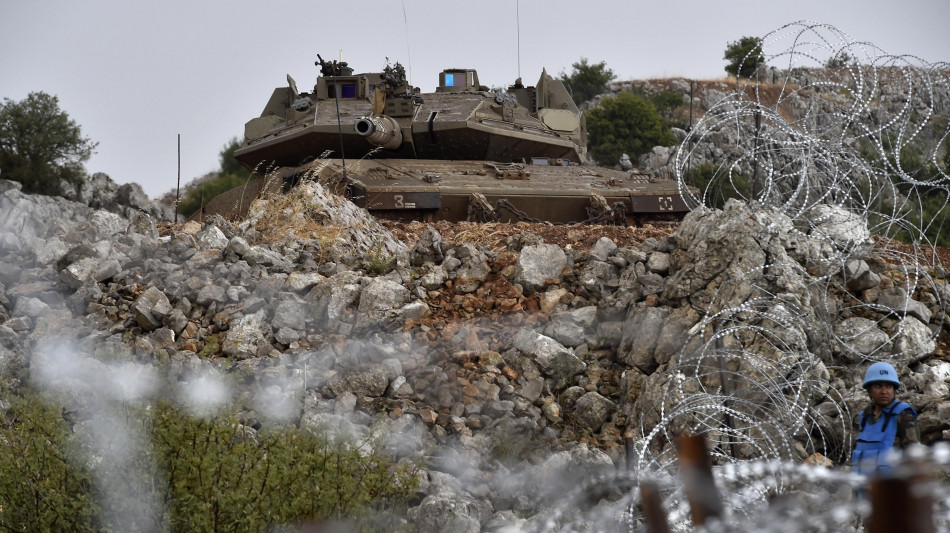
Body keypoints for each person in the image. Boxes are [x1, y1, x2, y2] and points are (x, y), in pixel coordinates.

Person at [851, 362, 919, 476]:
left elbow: (913, 457)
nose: (884, 391)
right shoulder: (863, 417)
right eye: (878, 386)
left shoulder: (903, 415)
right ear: (869, 390)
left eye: (888, 386)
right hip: (863, 489)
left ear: (894, 389)